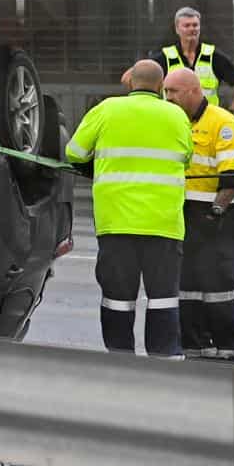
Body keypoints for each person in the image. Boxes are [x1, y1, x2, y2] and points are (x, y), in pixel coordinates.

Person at [66, 59, 192, 359]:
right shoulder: (176, 115)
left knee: (117, 299)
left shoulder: (107, 109)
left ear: (130, 82)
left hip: (116, 223)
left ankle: (120, 357)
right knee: (163, 298)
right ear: (161, 87)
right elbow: (186, 156)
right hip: (164, 224)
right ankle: (164, 359)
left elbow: (74, 152)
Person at [162, 69, 234, 364]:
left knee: (219, 292)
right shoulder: (173, 123)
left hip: (222, 217)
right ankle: (197, 355)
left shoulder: (223, 123)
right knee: (187, 291)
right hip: (187, 216)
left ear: (192, 91)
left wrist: (215, 212)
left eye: (173, 92)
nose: (168, 98)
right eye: (165, 92)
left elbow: (233, 178)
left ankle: (232, 357)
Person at [121, 6, 234, 113]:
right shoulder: (166, 57)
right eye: (187, 25)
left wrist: (231, 115)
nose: (192, 29)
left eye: (195, 25)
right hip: (173, 122)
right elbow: (128, 77)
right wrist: (153, 104)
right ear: (177, 29)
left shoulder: (213, 56)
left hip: (207, 125)